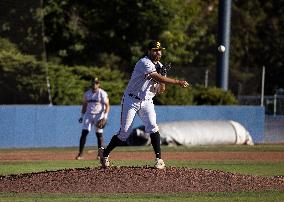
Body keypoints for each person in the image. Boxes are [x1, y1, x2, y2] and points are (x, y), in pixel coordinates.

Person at [99, 40, 189, 169]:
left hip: (147, 101)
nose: (158, 52)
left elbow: (161, 89)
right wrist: (177, 81)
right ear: (149, 51)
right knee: (124, 133)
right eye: (155, 50)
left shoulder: (160, 66)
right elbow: (156, 77)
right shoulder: (144, 62)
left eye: (159, 50)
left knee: (153, 127)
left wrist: (163, 75)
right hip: (131, 100)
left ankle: (159, 159)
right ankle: (105, 153)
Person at [75, 77, 110, 160]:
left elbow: (107, 105)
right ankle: (80, 154)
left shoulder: (102, 93)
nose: (95, 84)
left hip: (99, 115)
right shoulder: (87, 93)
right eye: (94, 83)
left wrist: (105, 117)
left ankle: (100, 154)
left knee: (99, 135)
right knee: (84, 133)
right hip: (88, 114)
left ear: (99, 84)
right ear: (91, 84)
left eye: (96, 83)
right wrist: (82, 115)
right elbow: (84, 105)